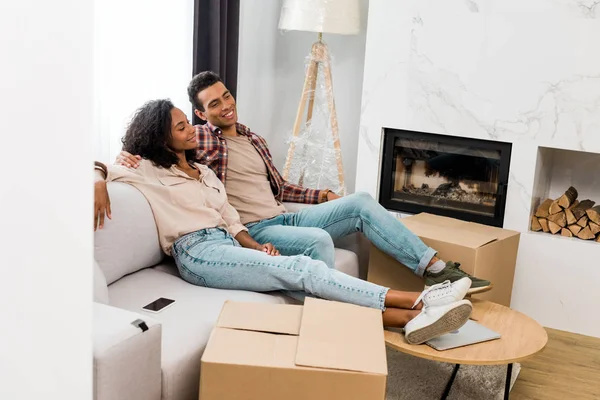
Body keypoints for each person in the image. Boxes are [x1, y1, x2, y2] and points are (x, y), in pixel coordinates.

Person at [94, 99, 473, 344]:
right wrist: (98, 179)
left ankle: (406, 319)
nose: (190, 129)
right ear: (161, 140)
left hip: (225, 245)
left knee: (296, 279)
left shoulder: (204, 173)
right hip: (196, 253)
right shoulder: (144, 169)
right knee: (302, 268)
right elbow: (93, 163)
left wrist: (259, 248)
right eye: (181, 127)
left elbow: (230, 221)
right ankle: (422, 301)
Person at [116, 71, 492, 294]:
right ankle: (324, 319)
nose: (224, 105)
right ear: (201, 114)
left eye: (226, 95)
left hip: (284, 216)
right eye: (213, 104)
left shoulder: (253, 138)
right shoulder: (202, 140)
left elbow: (280, 187)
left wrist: (322, 195)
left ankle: (438, 271)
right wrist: (113, 165)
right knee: (318, 241)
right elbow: (150, 144)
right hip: (254, 229)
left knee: (360, 201)